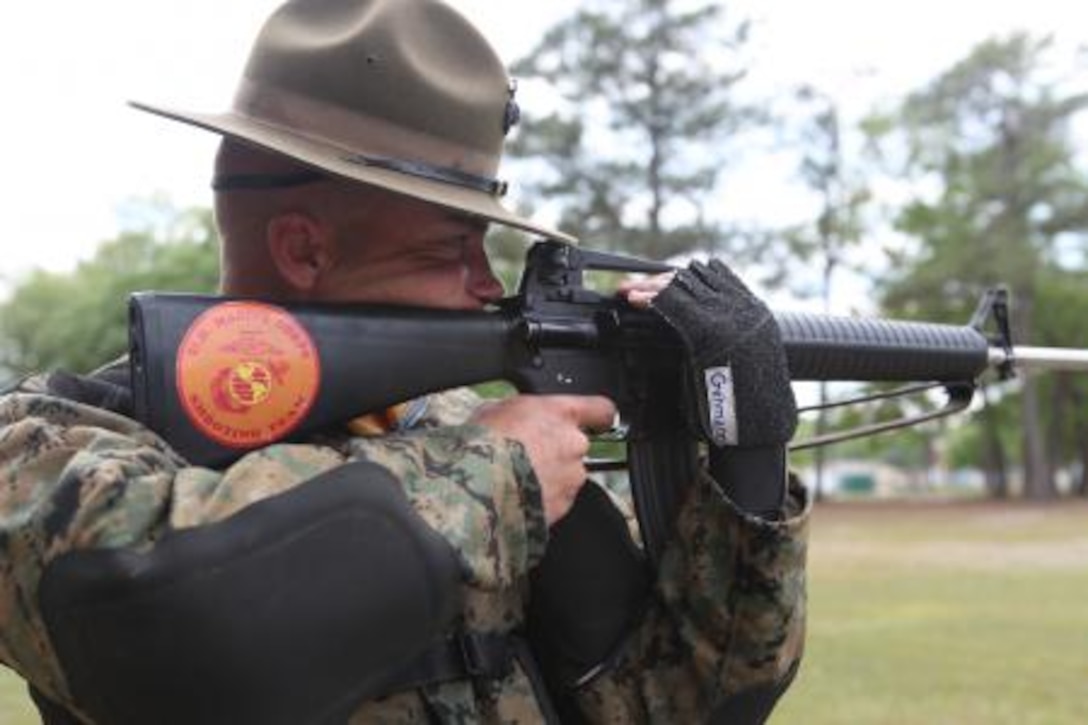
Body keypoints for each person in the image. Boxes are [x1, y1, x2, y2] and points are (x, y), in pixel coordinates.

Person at [0, 0, 810, 722]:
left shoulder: (465, 428)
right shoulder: (51, 445)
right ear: (303, 249)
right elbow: (181, 636)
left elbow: (672, 702)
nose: (487, 285)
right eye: (450, 249)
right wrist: (496, 474)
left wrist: (749, 461)